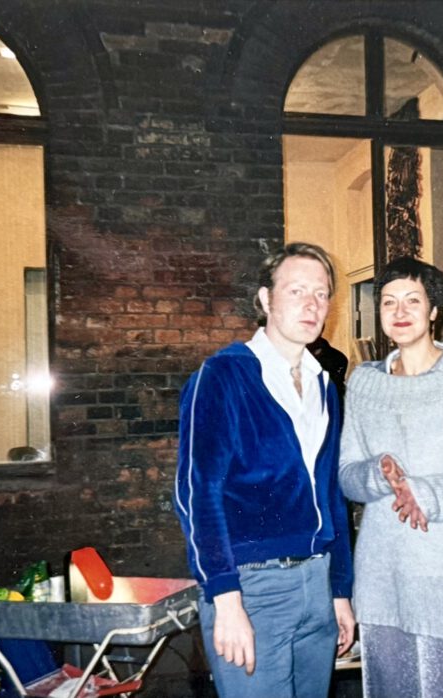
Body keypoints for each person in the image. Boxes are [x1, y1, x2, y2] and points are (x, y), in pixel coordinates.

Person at [174, 242, 355, 698]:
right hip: (253, 589)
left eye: (321, 294)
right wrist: (226, 598)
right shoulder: (223, 375)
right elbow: (198, 493)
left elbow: (331, 495)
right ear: (265, 299)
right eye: (296, 291)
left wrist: (339, 591)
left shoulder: (324, 385)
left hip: (317, 585)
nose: (312, 305)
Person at [338, 257, 443, 698]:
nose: (399, 311)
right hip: (381, 576)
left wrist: (426, 493)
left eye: (412, 300)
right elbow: (347, 477)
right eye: (388, 302)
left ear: (435, 310)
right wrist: (378, 473)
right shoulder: (363, 382)